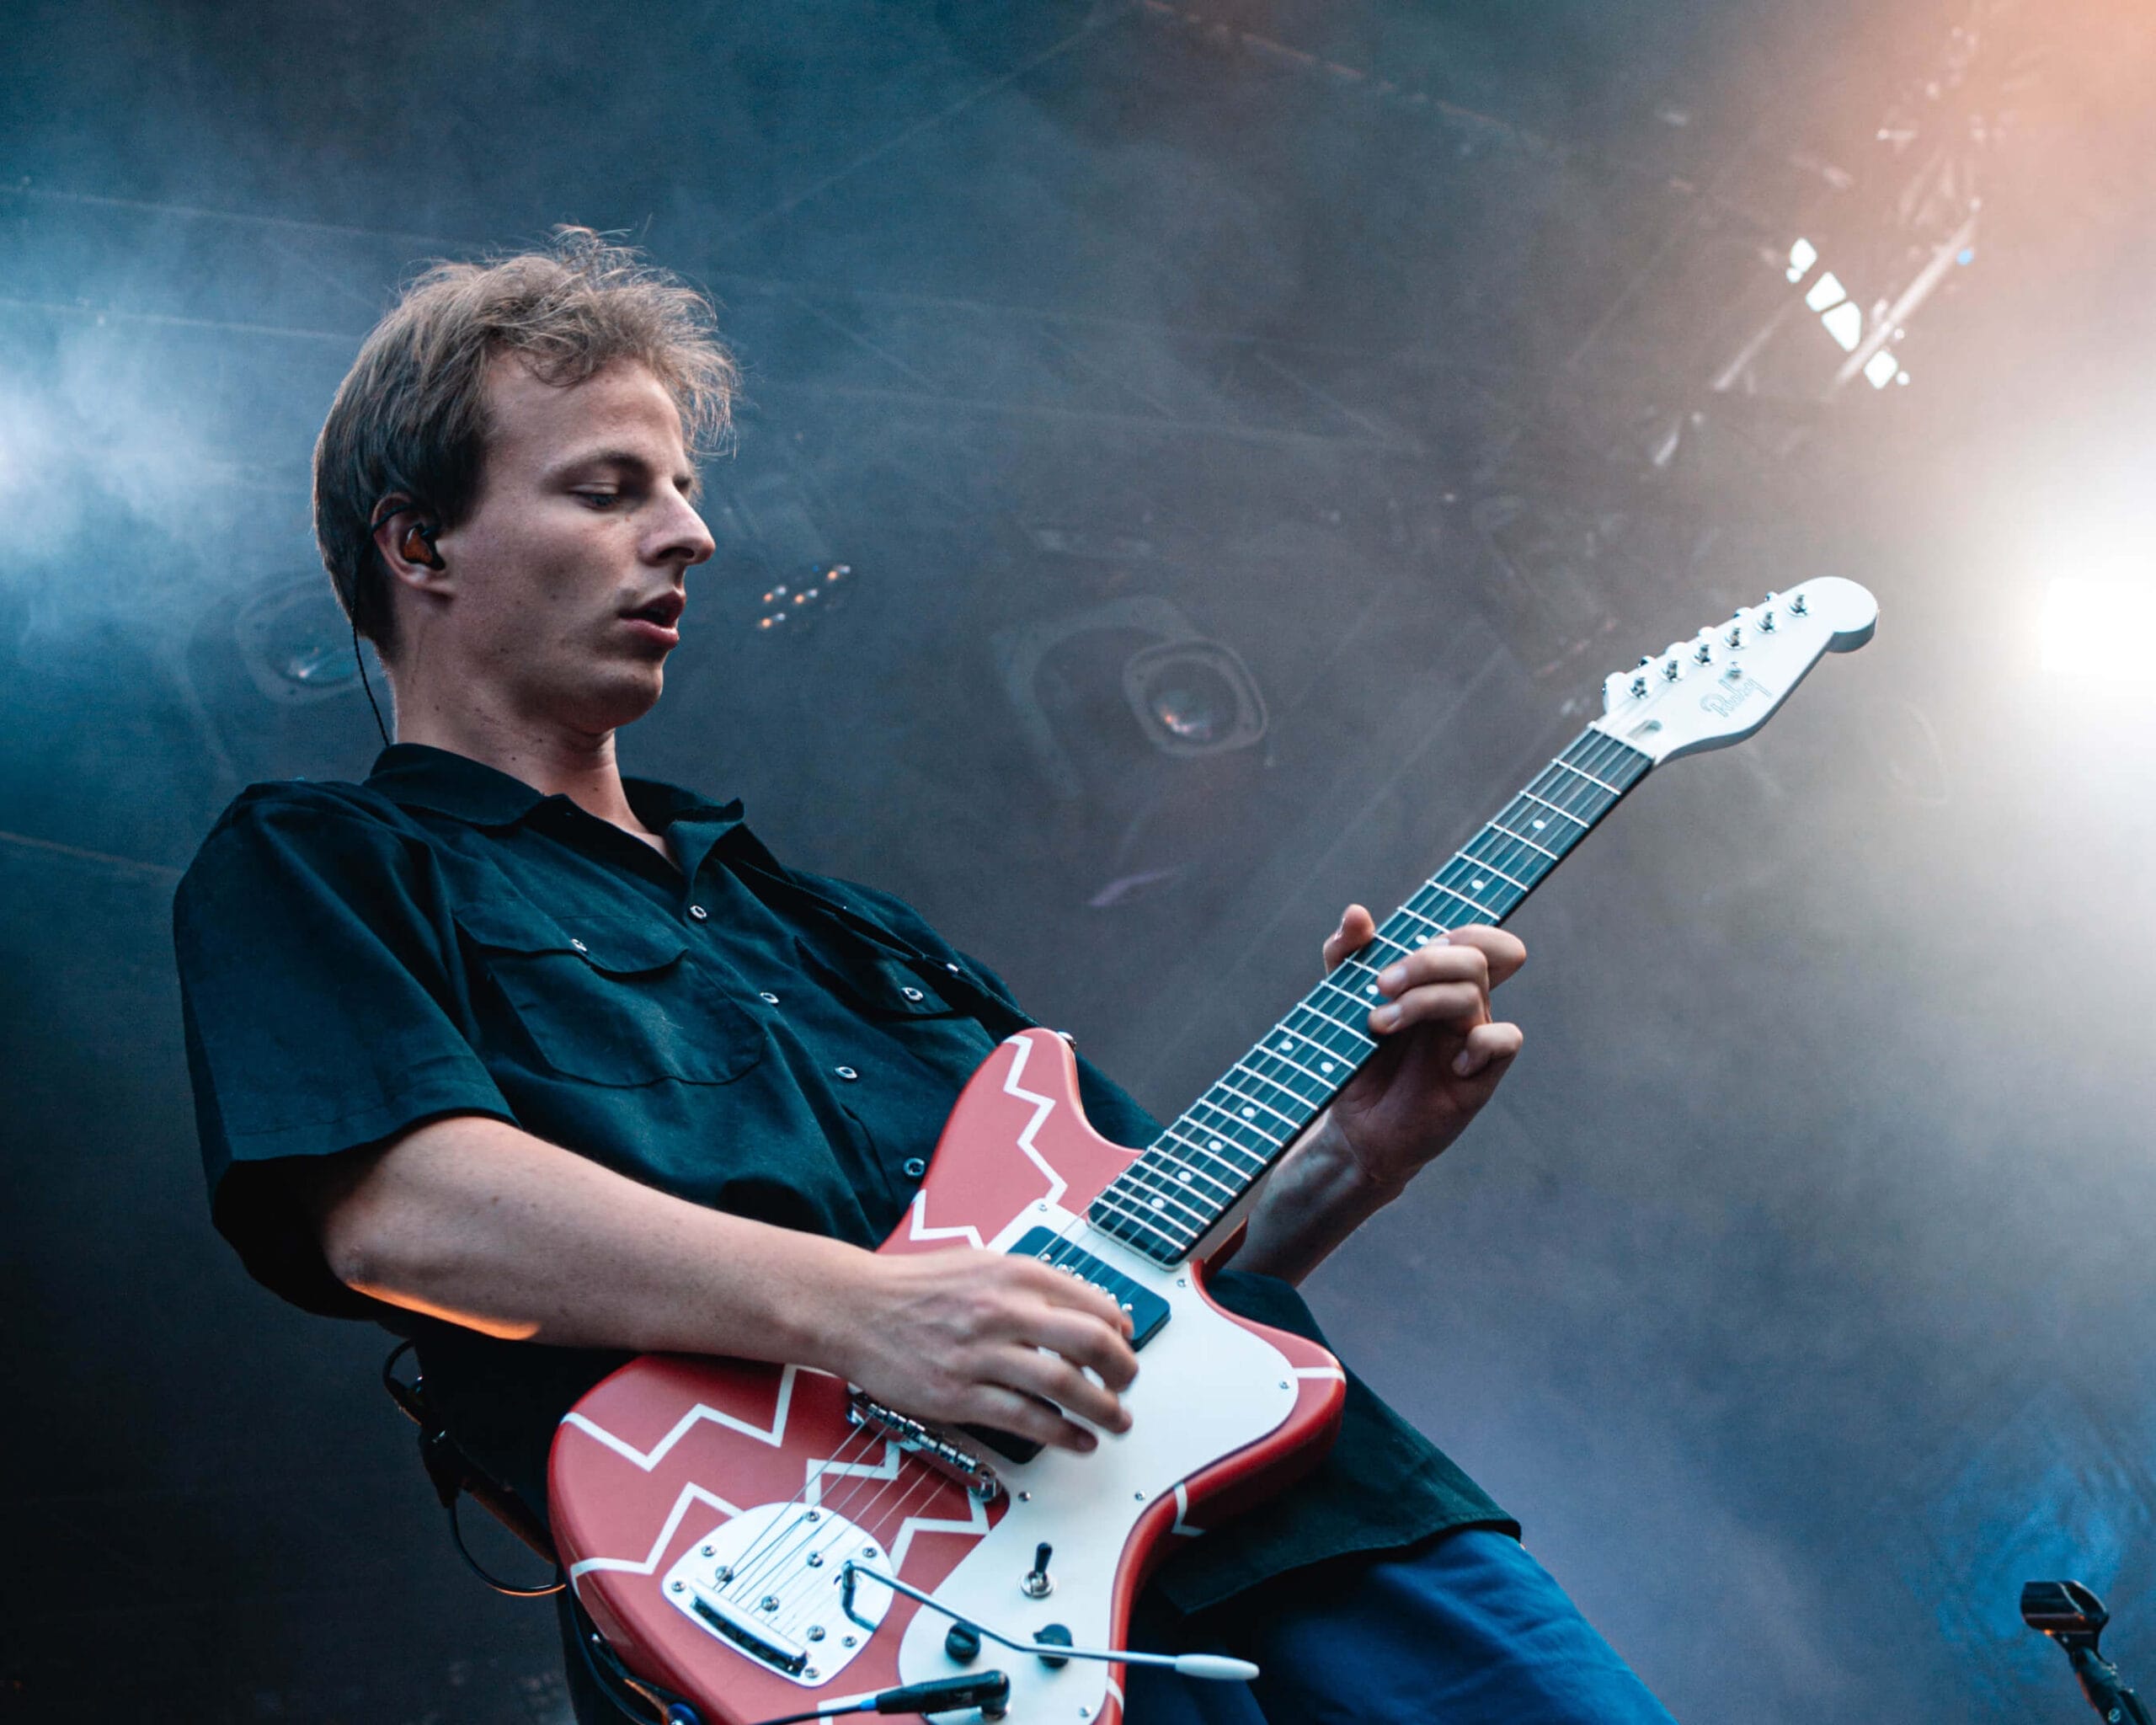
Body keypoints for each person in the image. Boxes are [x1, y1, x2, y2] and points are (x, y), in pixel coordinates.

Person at [173, 231, 1674, 1723]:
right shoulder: (322, 861)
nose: (690, 533)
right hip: (863, 1622)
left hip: (1315, 1525)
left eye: (682, 486)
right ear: (419, 545)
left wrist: (1352, 1155)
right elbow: (401, 1210)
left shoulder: (848, 926)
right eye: (609, 490)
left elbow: (1139, 1273)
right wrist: (865, 1312)